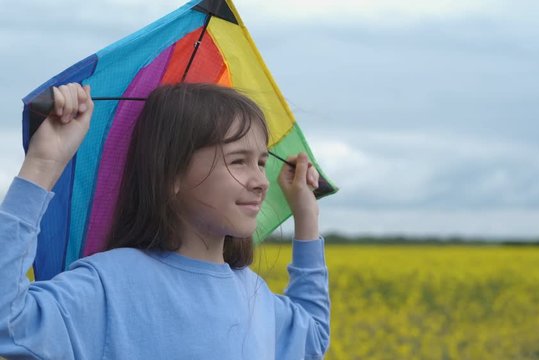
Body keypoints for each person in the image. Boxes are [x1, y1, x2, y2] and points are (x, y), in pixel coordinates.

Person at [0, 83, 330, 359]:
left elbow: (312, 340)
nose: (261, 180)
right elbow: (8, 320)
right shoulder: (109, 284)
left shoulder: (253, 293)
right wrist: (43, 163)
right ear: (171, 174)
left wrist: (306, 215)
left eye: (260, 162)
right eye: (238, 161)